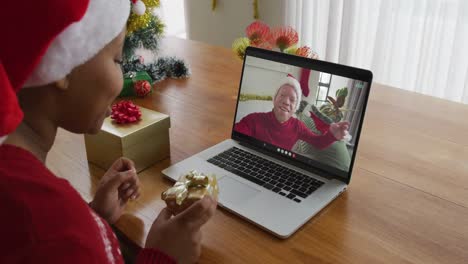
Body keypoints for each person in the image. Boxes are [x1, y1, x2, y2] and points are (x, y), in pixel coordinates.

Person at [0, 1, 216, 263]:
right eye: (117, 59)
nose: (123, 75)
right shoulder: (54, 227)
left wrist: (94, 217)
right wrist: (162, 256)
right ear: (64, 63)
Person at [234, 74, 349, 151]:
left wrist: (332, 136)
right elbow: (237, 136)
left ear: (295, 108)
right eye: (282, 95)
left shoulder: (298, 126)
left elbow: (317, 142)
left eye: (292, 100)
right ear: (274, 99)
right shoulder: (253, 120)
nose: (286, 102)